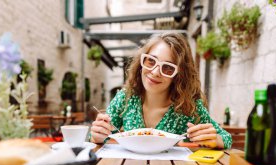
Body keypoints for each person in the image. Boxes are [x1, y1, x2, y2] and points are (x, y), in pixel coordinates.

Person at [91, 32, 232, 149]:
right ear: (142, 62)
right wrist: (97, 136)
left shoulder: (188, 107)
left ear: (179, 75)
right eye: (151, 61)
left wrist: (215, 140)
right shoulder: (125, 98)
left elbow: (226, 138)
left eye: (168, 68)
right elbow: (98, 136)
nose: (155, 72)